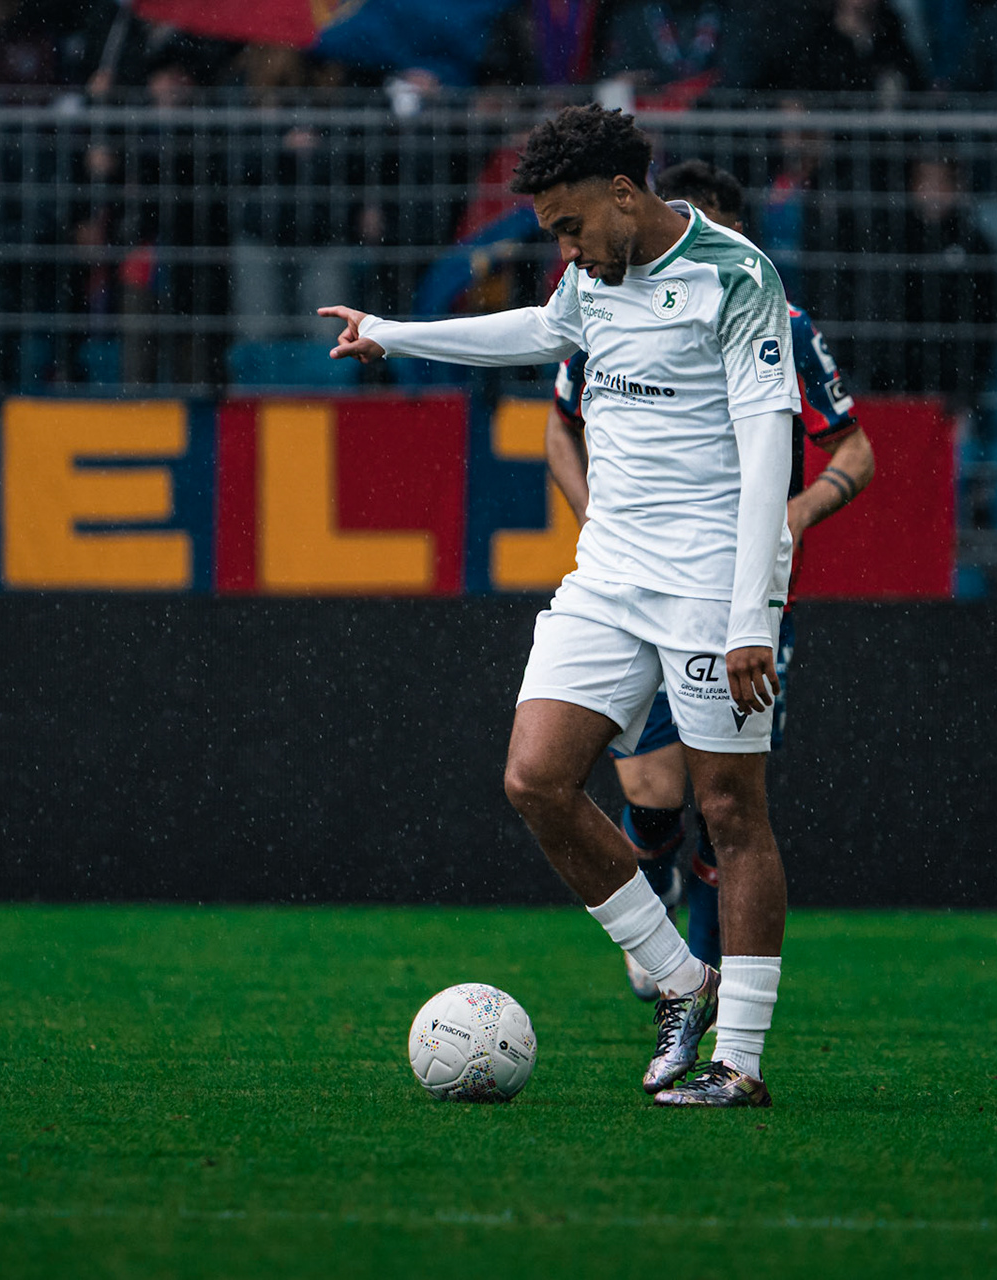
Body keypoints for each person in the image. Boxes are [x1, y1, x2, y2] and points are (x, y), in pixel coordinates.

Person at [322, 105, 797, 1108]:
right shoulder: (593, 276)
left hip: (712, 581)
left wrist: (752, 609)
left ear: (626, 194)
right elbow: (536, 332)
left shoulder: (739, 275)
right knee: (536, 776)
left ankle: (739, 1060)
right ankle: (680, 976)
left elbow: (767, 453)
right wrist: (393, 333)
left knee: (731, 813)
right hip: (609, 572)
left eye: (570, 225)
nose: (565, 249)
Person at [542, 158, 874, 997]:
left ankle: (716, 992)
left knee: (722, 809)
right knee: (650, 793)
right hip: (631, 580)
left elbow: (855, 449)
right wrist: (604, 522)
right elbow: (559, 425)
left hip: (733, 591)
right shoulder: (609, 295)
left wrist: (793, 517)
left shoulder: (773, 314)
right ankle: (671, 968)